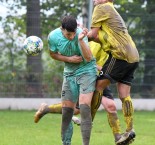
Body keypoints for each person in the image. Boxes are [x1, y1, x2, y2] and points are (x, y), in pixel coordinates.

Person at [34, 41, 127, 145]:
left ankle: (118, 138)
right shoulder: (94, 44)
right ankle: (46, 109)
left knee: (111, 106)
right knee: (75, 110)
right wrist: (103, 69)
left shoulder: (114, 48)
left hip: (100, 80)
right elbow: (85, 60)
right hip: (88, 78)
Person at [87, 0, 139, 145]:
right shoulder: (111, 9)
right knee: (124, 95)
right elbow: (100, 37)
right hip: (133, 55)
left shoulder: (101, 7)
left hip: (119, 54)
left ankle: (88, 120)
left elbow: (92, 35)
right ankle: (129, 129)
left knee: (98, 86)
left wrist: (76, 37)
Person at [47, 15, 97, 145]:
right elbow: (53, 54)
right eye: (68, 34)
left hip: (87, 70)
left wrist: (80, 40)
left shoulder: (80, 34)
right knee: (67, 113)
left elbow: (88, 57)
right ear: (61, 29)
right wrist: (69, 59)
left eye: (73, 33)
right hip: (69, 74)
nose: (71, 36)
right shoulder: (53, 37)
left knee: (85, 108)